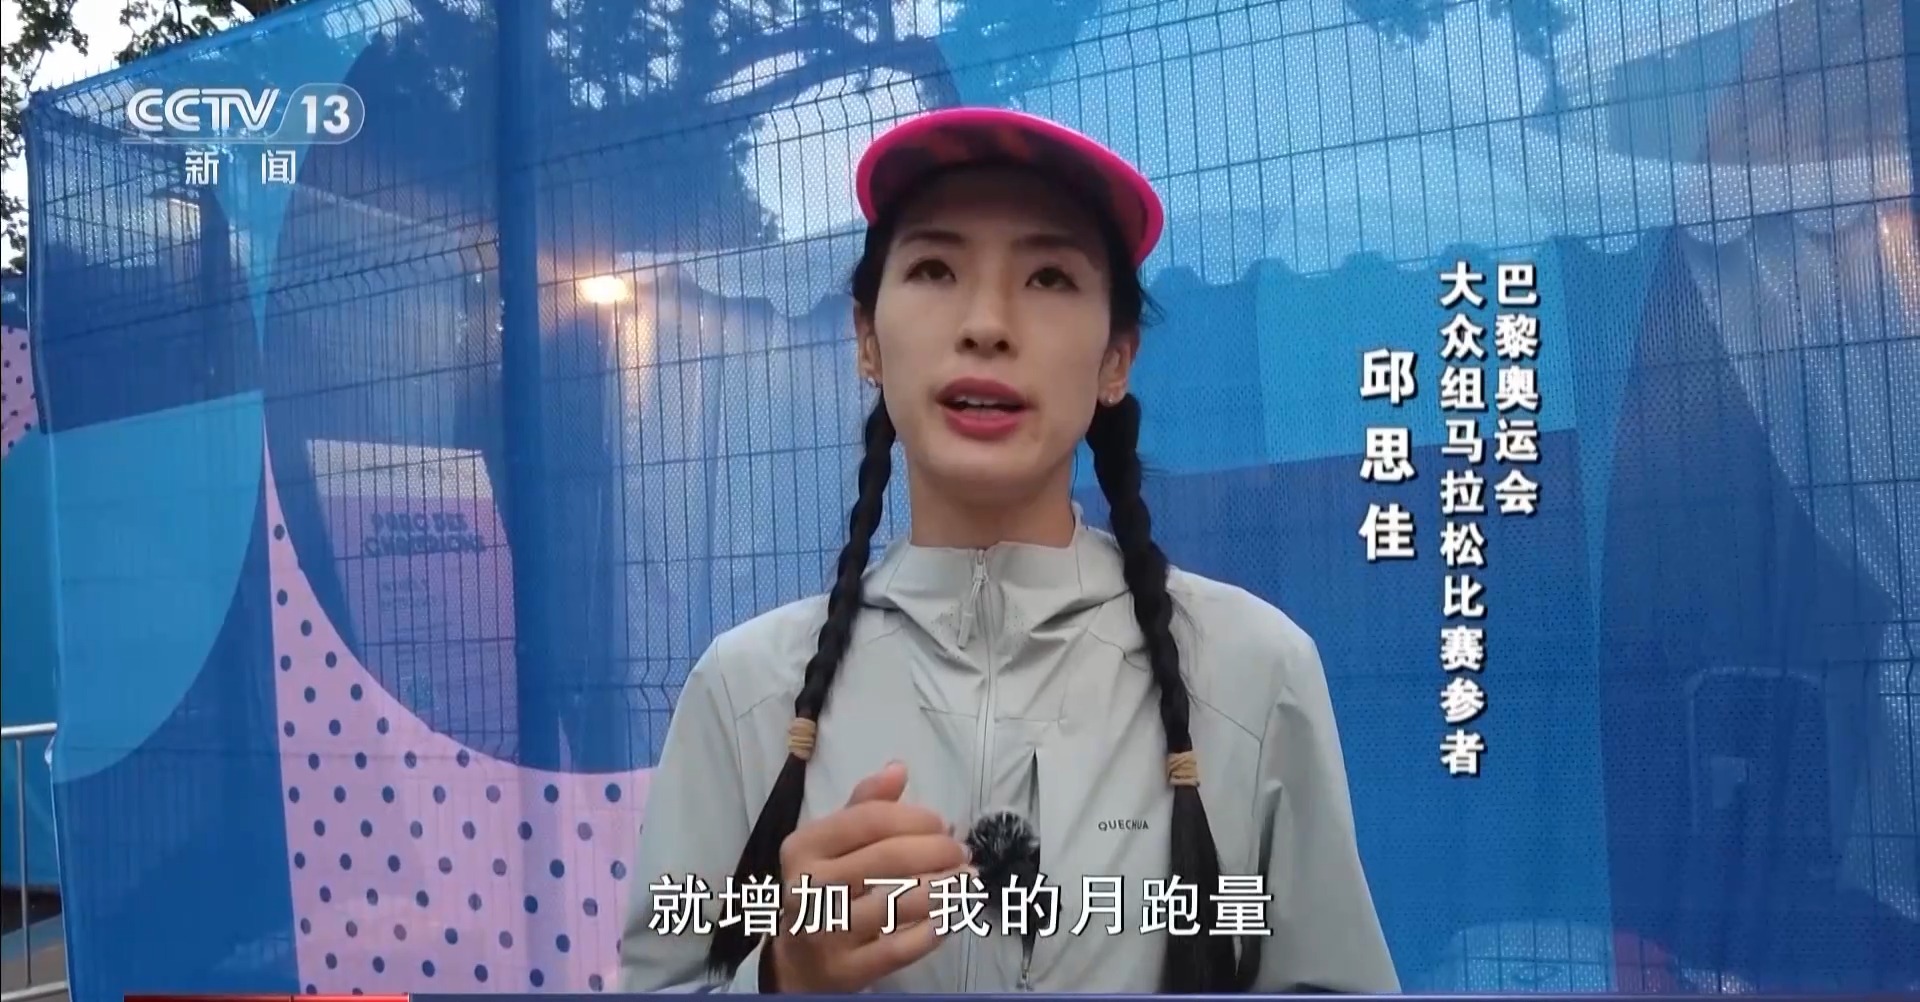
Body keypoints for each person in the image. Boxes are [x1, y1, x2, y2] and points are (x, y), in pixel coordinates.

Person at [617, 107, 1397, 994]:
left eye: (1050, 277)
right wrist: (783, 974)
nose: (986, 323)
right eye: (935, 269)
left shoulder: (1255, 671)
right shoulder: (745, 691)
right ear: (868, 339)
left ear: (1116, 360)